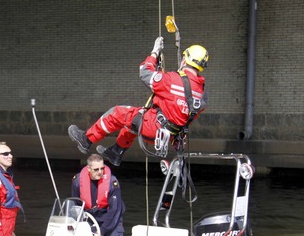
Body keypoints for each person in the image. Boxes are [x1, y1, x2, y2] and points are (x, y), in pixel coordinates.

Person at [68, 37, 209, 165]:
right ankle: (117, 152)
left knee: (116, 113)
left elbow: (145, 73)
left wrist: (154, 53)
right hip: (169, 136)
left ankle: (86, 140)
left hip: (154, 127)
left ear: (185, 60)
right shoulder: (201, 93)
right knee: (133, 122)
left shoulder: (172, 80)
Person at [71, 153, 125, 236]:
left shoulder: (112, 183)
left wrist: (103, 230)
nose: (100, 172)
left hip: (111, 220)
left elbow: (115, 211)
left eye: (102, 168)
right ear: (89, 169)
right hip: (91, 219)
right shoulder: (77, 182)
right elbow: (76, 207)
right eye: (96, 169)